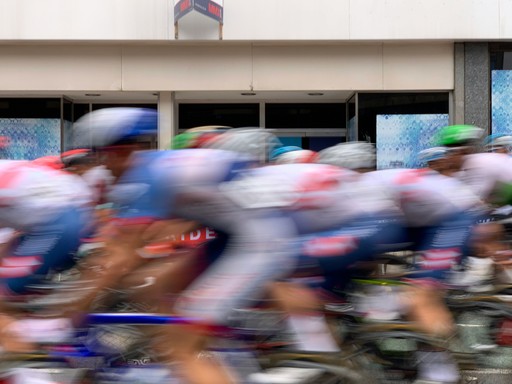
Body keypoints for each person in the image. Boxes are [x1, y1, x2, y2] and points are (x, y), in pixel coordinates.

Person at [0, 160, 93, 352]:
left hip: (58, 221)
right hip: (76, 210)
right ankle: (48, 327)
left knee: (2, 292)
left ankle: (22, 356)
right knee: (12, 286)